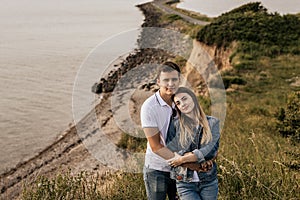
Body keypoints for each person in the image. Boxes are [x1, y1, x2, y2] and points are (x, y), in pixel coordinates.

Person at [167, 87, 220, 200]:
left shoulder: (213, 123)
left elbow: (211, 151)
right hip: (184, 182)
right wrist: (195, 163)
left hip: (208, 181)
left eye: (185, 99)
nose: (183, 104)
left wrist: (182, 159)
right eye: (178, 103)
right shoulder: (175, 125)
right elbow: (170, 152)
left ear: (194, 99)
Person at [141, 61, 181, 200]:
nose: (171, 83)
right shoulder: (149, 107)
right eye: (166, 80)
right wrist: (184, 162)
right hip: (157, 170)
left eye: (174, 79)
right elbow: (156, 146)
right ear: (158, 82)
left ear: (179, 80)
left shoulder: (183, 102)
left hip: (180, 170)